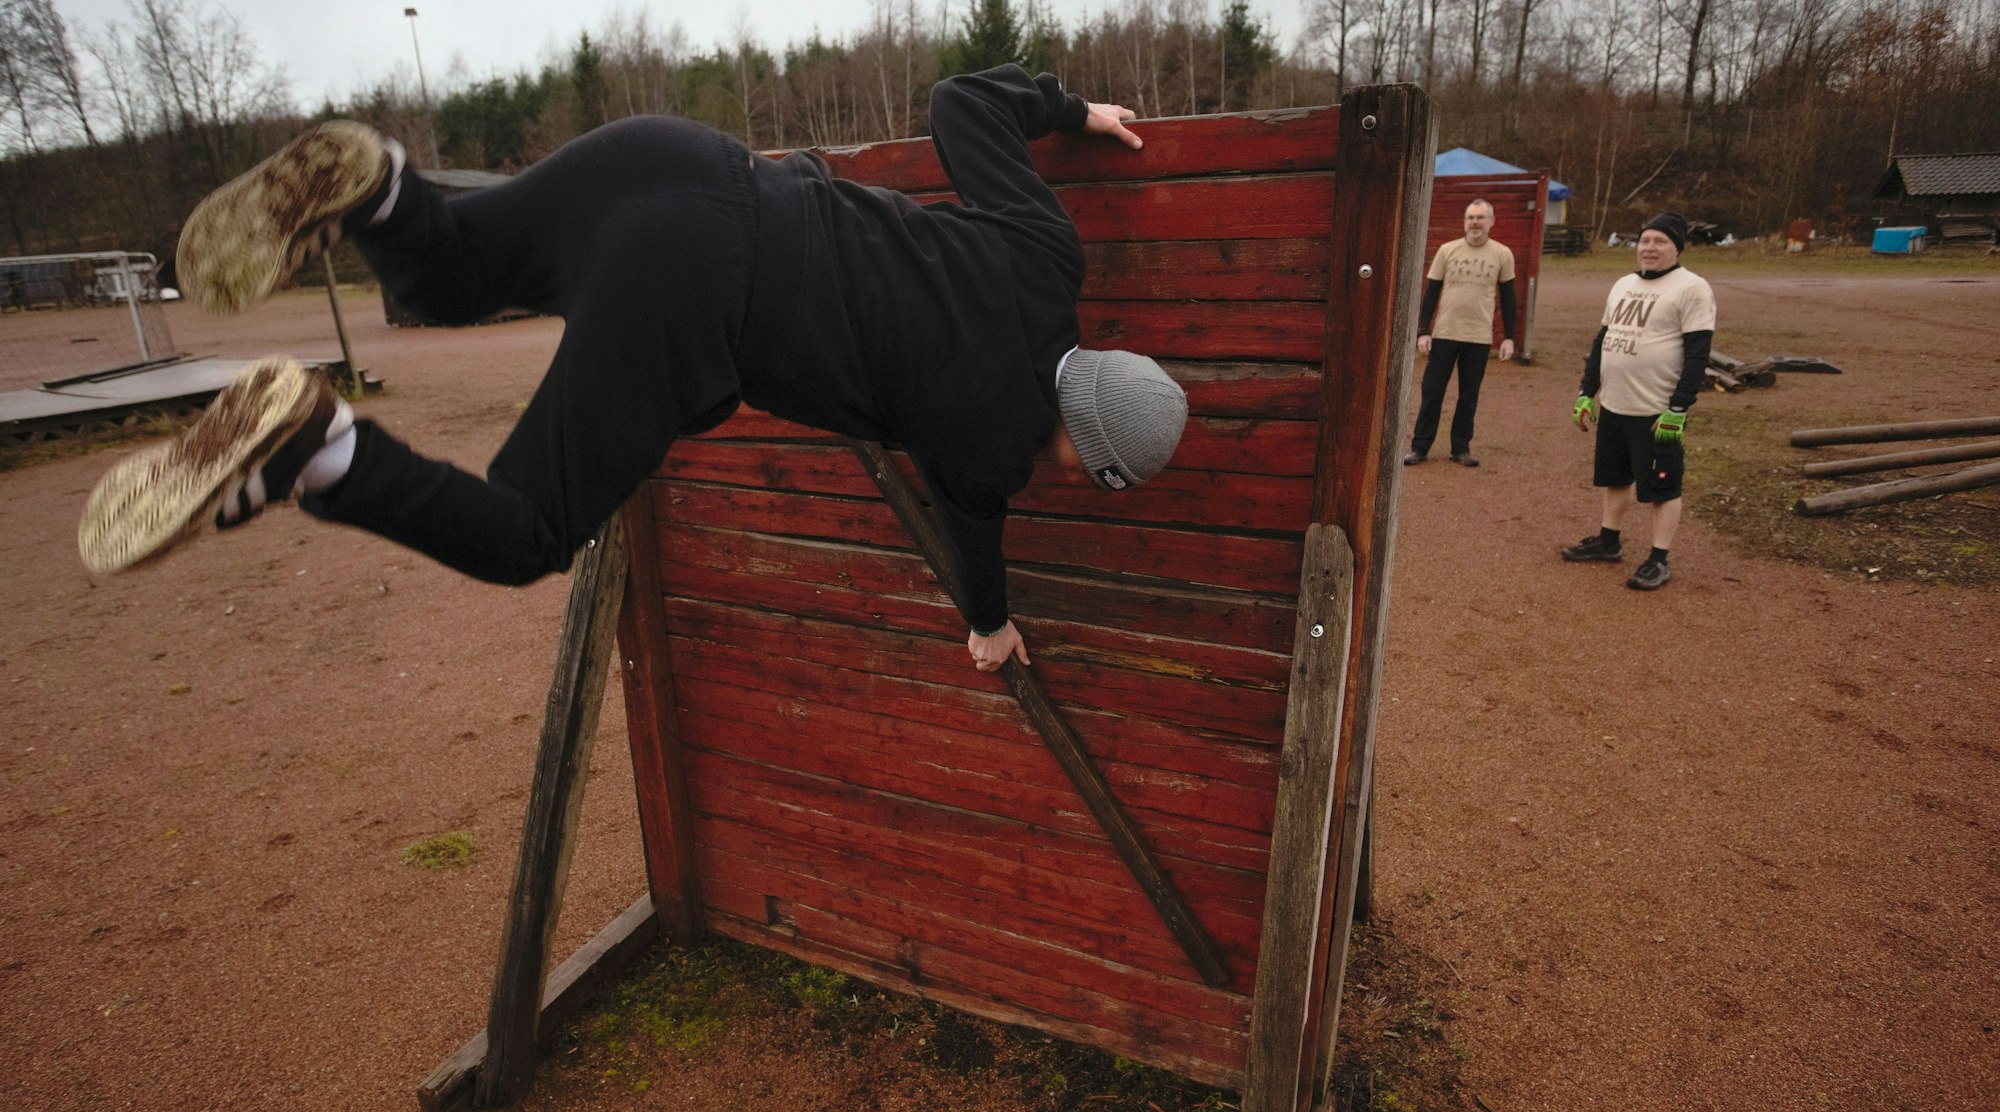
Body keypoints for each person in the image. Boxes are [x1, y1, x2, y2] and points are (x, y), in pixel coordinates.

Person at [76, 65, 1188, 674]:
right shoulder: (991, 447)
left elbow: (958, 102)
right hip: (694, 296)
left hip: (679, 160)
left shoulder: (1049, 258)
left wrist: (1068, 109)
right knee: (522, 533)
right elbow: (974, 528)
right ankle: (320, 452)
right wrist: (986, 623)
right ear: (1079, 453)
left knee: (444, 279)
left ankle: (377, 194)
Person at [1561, 212, 1715, 591]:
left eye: (1659, 241)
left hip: (1656, 411)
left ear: (1676, 247)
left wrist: (1679, 408)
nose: (1649, 248)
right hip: (1615, 405)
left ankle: (1659, 559)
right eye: (1645, 241)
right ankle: (1609, 541)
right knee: (1615, 478)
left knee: (1661, 487)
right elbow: (1602, 342)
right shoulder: (1623, 285)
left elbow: (1698, 355)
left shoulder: (1691, 288)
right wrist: (1586, 392)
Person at [1405, 198, 1517, 468]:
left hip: (1478, 337)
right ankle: (1419, 447)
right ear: (1464, 221)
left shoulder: (1502, 254)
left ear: (1491, 221)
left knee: (1469, 395)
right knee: (1432, 392)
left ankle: (1460, 448)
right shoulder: (1448, 250)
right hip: (1444, 333)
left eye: (1480, 217)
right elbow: (1431, 293)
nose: (1475, 222)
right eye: (1471, 217)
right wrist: (1423, 330)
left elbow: (1509, 298)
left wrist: (1510, 337)